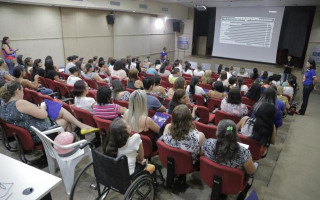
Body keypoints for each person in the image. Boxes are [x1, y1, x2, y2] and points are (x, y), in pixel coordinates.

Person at [0, 81, 95, 143]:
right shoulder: (20, 103)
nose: (23, 92)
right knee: (65, 121)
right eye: (22, 90)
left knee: (60, 110)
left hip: (29, 132)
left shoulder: (4, 104)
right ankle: (68, 145)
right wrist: (42, 107)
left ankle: (77, 132)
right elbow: (44, 115)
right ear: (17, 91)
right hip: (40, 133)